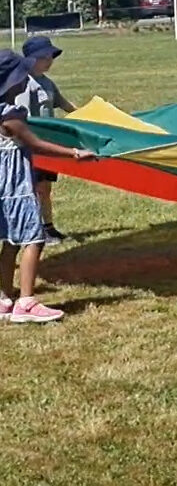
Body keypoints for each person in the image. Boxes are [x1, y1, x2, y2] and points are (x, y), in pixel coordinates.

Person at [0, 50, 95, 323]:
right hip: (15, 186)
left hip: (3, 185)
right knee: (34, 238)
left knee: (10, 241)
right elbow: (36, 144)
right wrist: (75, 153)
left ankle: (5, 299)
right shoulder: (11, 114)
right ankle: (26, 303)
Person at [14, 36, 76, 245]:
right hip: (33, 146)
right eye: (45, 57)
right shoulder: (25, 84)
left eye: (51, 56)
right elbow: (20, 116)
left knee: (46, 188)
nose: (50, 61)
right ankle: (36, 228)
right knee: (35, 188)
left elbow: (64, 104)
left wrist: (87, 115)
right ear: (31, 59)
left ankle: (48, 226)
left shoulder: (48, 83)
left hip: (49, 145)